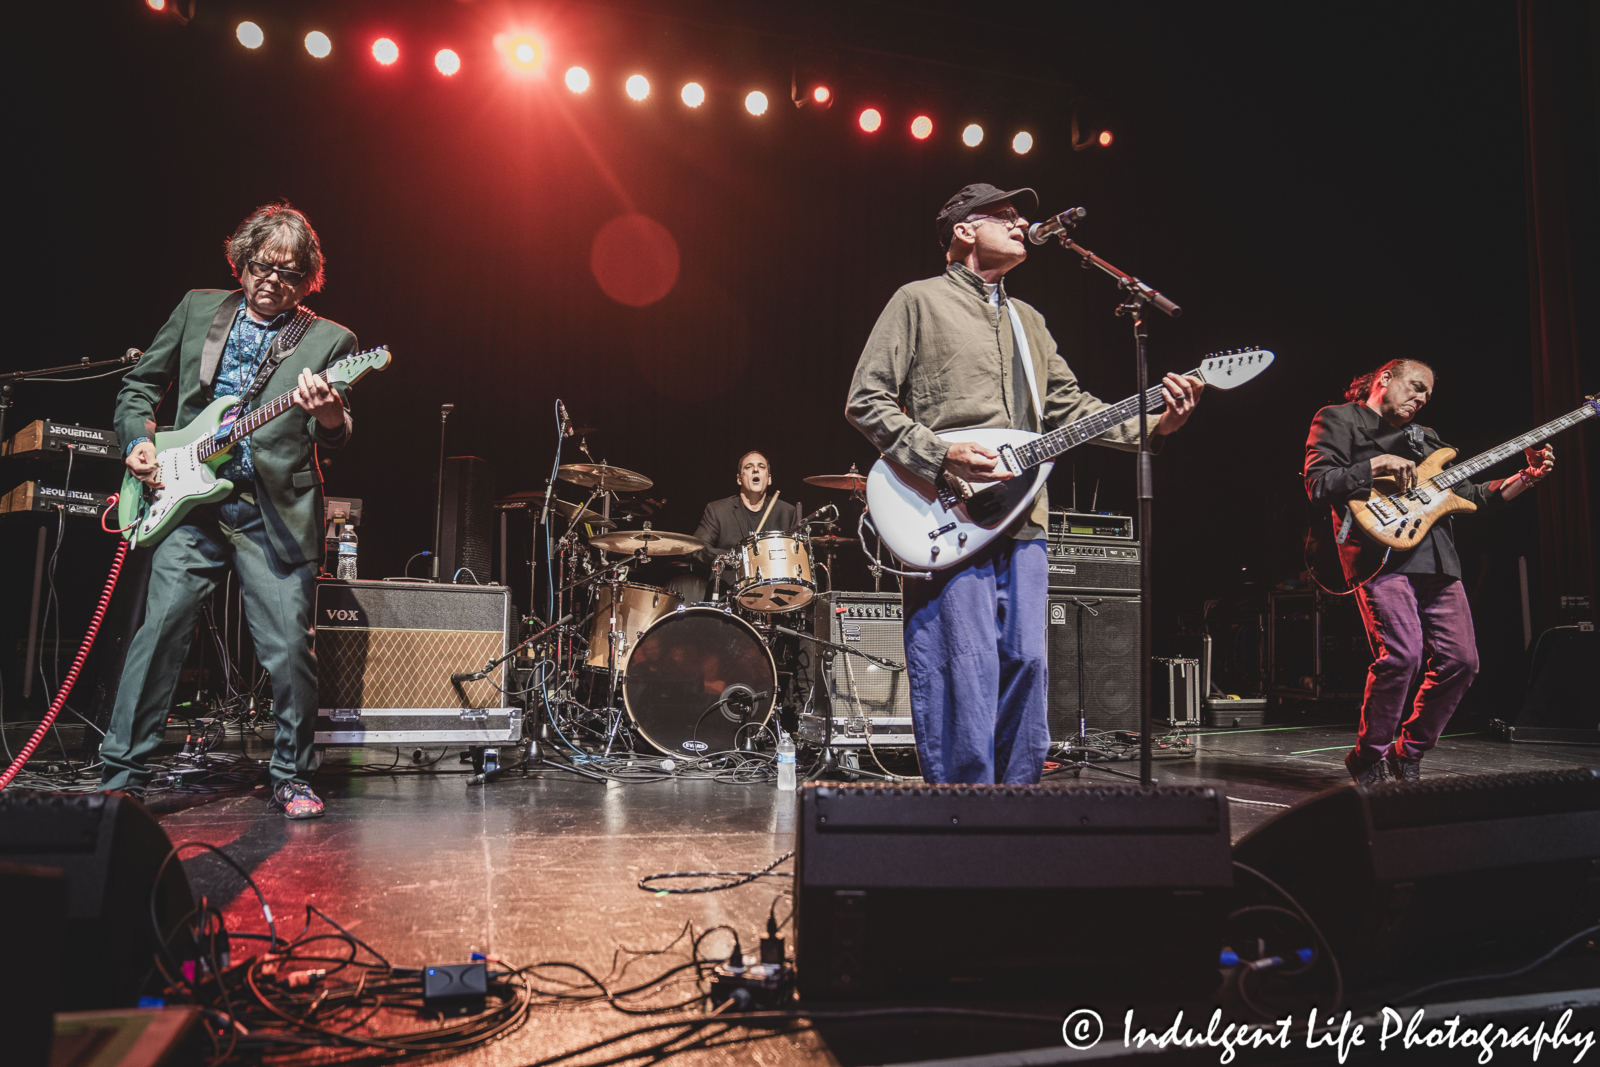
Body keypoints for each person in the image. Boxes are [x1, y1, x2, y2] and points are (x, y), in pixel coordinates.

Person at [846, 183, 1202, 785]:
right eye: (1004, 216)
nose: (1020, 225)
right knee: (967, 666)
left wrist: (1156, 422)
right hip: (947, 512)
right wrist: (941, 452)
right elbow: (866, 399)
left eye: (1020, 218)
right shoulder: (918, 300)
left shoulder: (1028, 320)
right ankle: (964, 807)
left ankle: (1017, 804)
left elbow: (1073, 409)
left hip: (1025, 517)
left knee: (1029, 662)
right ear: (963, 229)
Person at [101, 202, 359, 818]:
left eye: (291, 274)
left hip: (270, 510)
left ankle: (293, 775)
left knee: (290, 650)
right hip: (188, 503)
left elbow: (338, 429)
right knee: (160, 632)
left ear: (306, 281)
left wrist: (327, 412)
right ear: (241, 262)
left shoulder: (329, 341)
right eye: (263, 266)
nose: (274, 280)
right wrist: (139, 441)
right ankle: (122, 772)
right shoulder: (197, 308)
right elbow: (140, 387)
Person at [1304, 358, 1553, 783]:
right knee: (1402, 656)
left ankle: (1410, 751)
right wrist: (1377, 466)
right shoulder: (1338, 418)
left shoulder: (1427, 439)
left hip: (1436, 559)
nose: (1420, 399)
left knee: (1462, 661)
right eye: (1415, 387)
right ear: (1385, 378)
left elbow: (1473, 496)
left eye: (1427, 395)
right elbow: (1318, 483)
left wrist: (1527, 477)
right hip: (1380, 555)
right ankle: (1368, 757)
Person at [681, 451, 800, 601]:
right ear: (739, 479)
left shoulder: (786, 512)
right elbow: (696, 548)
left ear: (769, 479)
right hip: (728, 597)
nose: (755, 470)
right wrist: (734, 557)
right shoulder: (718, 510)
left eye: (761, 467)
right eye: (749, 467)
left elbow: (798, 557)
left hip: (775, 598)